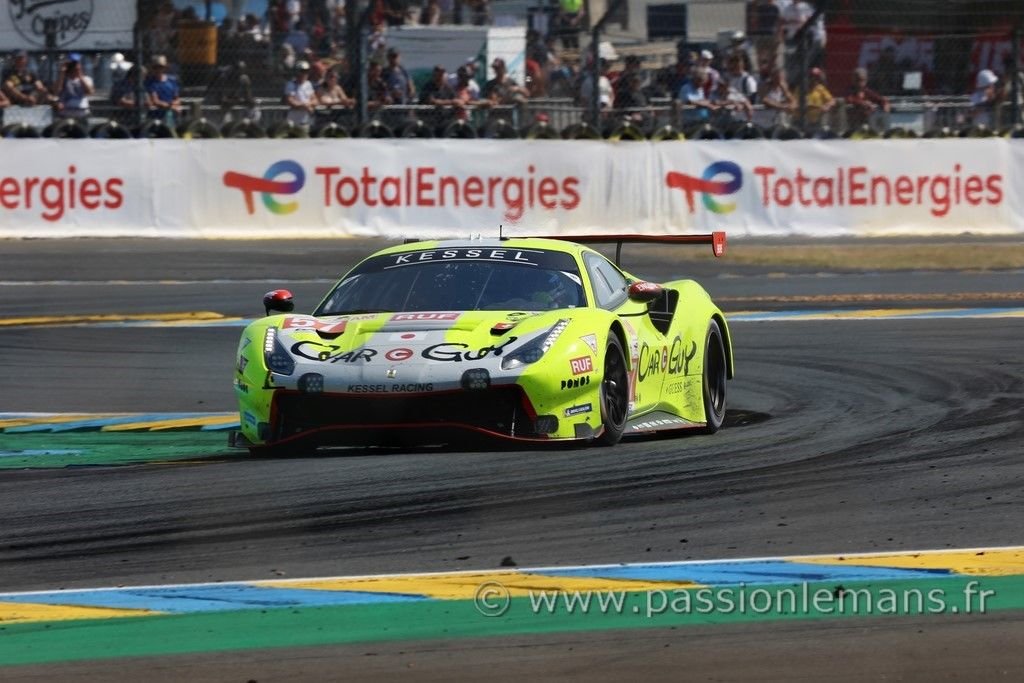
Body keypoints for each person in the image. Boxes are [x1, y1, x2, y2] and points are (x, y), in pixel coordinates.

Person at [53, 54, 94, 120]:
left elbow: (90, 92)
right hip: (65, 114)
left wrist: (80, 75)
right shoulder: (63, 79)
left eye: (76, 64)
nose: (74, 66)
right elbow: (56, 91)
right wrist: (62, 73)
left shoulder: (87, 79)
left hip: (82, 114)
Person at [144, 55, 181, 123]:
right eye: (155, 67)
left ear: (165, 68)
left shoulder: (172, 80)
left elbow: (177, 98)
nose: (158, 70)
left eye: (161, 67)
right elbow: (155, 101)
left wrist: (174, 104)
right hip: (157, 115)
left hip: (171, 114)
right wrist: (170, 107)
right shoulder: (150, 82)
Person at [284, 60, 317, 131]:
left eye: (306, 71)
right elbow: (290, 101)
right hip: (293, 121)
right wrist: (304, 106)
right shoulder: (291, 84)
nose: (304, 74)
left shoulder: (308, 84)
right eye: (302, 71)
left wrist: (308, 104)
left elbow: (315, 100)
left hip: (306, 120)